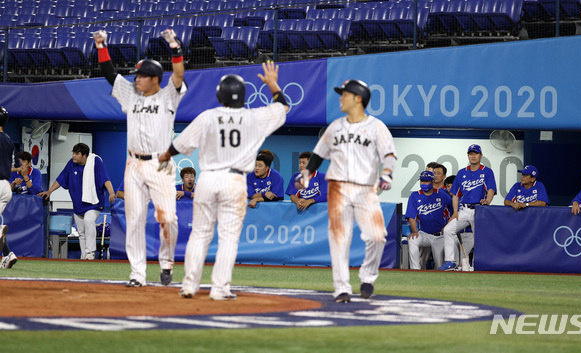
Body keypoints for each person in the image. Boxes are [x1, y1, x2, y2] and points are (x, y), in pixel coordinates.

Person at [158, 61, 289, 300]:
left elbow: (179, 145)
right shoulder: (254, 117)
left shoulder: (208, 116)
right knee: (228, 237)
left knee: (200, 234)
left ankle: (189, 285)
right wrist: (272, 84)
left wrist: (165, 156)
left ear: (221, 95)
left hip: (208, 179)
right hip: (234, 180)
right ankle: (219, 289)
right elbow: (283, 106)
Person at [93, 28, 186, 287]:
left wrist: (174, 47)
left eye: (142, 76)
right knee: (133, 220)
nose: (137, 79)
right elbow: (110, 75)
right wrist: (102, 46)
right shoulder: (131, 95)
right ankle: (137, 274)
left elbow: (178, 74)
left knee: (168, 218)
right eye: (136, 76)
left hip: (161, 164)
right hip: (133, 164)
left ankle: (167, 263)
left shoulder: (168, 95)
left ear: (155, 79)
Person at [297, 79, 397, 302]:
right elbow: (318, 155)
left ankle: (368, 278)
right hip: (338, 187)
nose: (340, 98)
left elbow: (389, 154)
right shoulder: (335, 127)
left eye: (345, 94)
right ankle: (341, 287)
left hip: (365, 190)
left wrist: (387, 173)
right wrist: (306, 174)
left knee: (377, 237)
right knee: (339, 237)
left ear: (358, 98)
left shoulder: (376, 126)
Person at [39, 143, 116, 260]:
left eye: (77, 154)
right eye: (73, 153)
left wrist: (111, 192)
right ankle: (84, 256)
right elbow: (61, 178)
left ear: (84, 155)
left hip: (93, 203)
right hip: (78, 204)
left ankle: (90, 252)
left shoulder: (95, 162)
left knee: (88, 220)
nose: (73, 156)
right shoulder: (72, 163)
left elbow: (105, 178)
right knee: (81, 232)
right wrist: (49, 191)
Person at [439, 144, 496, 271]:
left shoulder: (486, 171)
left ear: (480, 156)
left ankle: (477, 265)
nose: (473, 156)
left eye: (475, 153)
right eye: (471, 153)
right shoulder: (462, 173)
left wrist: (487, 200)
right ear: (468, 156)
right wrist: (454, 212)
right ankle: (451, 261)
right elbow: (455, 195)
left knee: (479, 238)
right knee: (448, 229)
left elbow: (491, 189)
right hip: (464, 209)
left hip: (480, 209)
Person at [405, 171, 452, 270]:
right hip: (424, 234)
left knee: (439, 265)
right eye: (422, 181)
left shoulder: (442, 195)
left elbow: (453, 213)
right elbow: (411, 216)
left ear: (432, 182)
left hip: (439, 235)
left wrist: (447, 226)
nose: (424, 183)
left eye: (426, 181)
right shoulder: (415, 195)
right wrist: (414, 231)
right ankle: (415, 270)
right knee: (412, 239)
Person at [0, 106, 20, 269]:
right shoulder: (8, 140)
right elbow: (15, 167)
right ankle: (7, 255)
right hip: (6, 187)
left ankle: (0, 230)